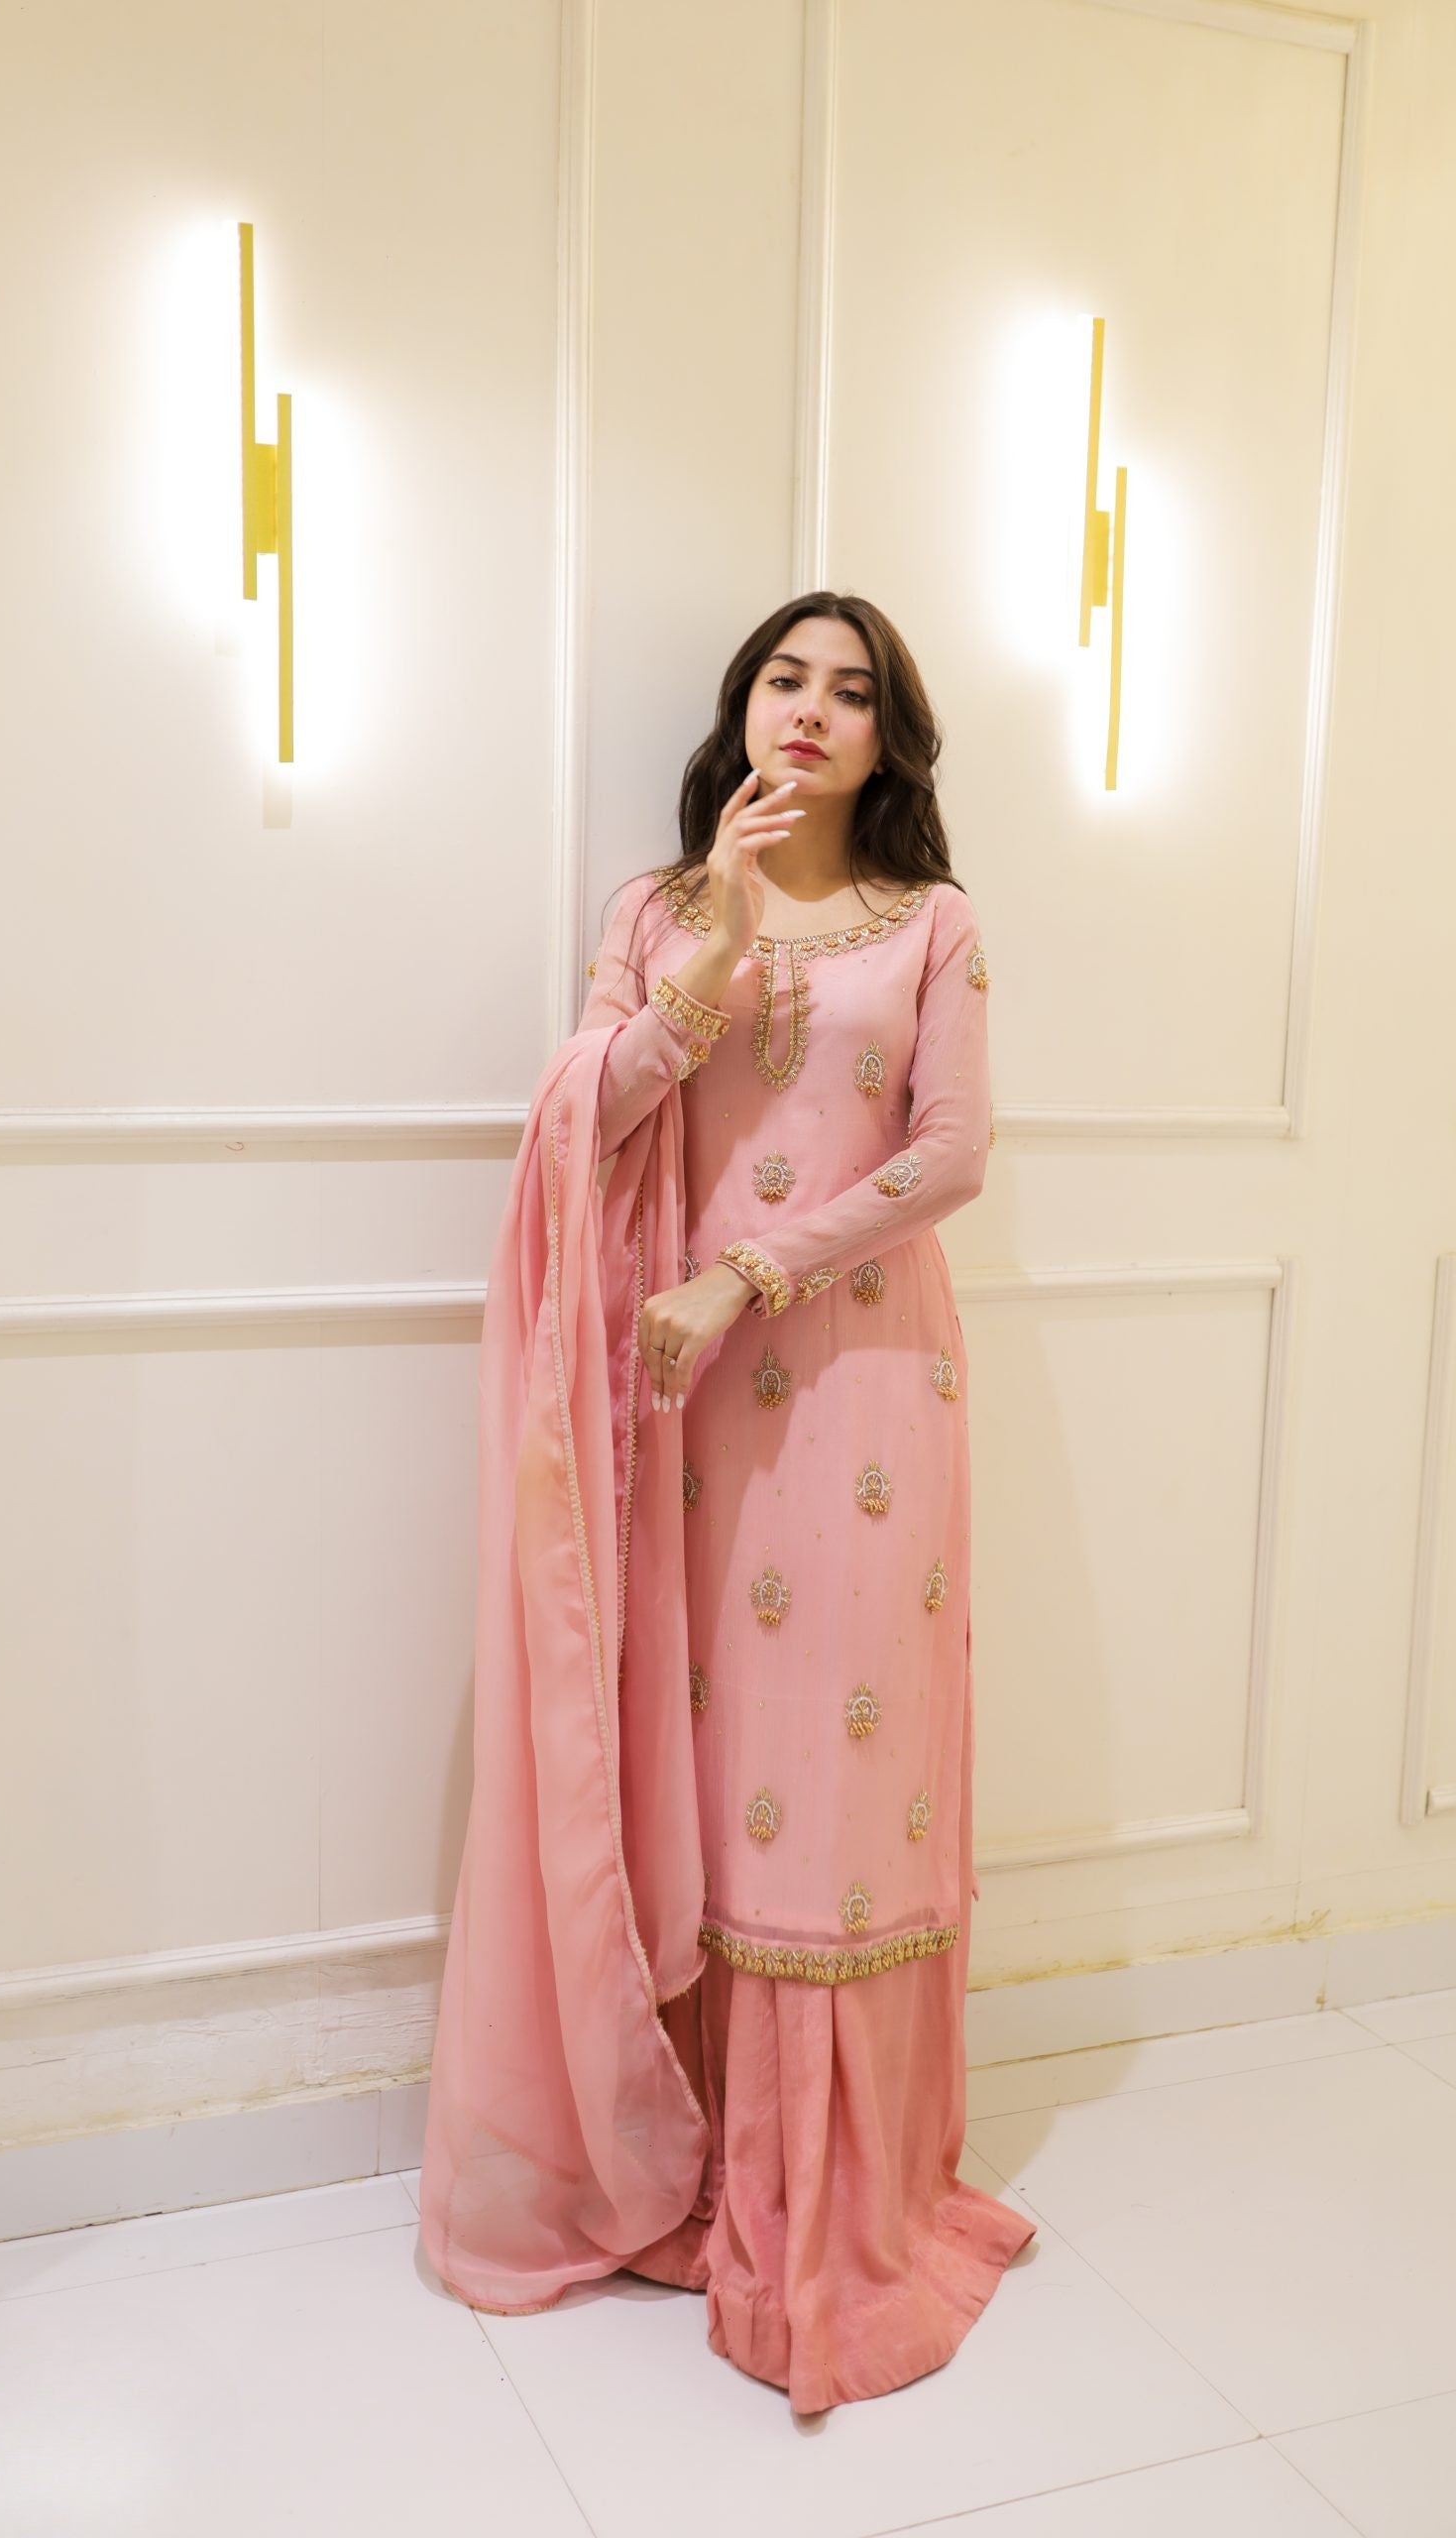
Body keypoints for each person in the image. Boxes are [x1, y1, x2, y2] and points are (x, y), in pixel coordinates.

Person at [417, 590, 1036, 2416]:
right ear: (742, 706)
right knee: (696, 1759)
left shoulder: (936, 925)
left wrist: (747, 1278)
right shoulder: (658, 913)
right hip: (673, 1408)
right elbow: (585, 1122)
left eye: (855, 692)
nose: (814, 712)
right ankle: (684, 2147)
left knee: (839, 1773)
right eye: (788, 678)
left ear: (889, 736)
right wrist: (713, 944)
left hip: (856, 1394)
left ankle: (841, 2187)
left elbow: (951, 1154)